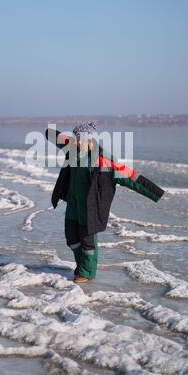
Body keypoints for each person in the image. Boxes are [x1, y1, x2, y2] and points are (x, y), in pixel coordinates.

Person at [45, 121, 164, 283]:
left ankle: (87, 272)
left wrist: (155, 192)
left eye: (80, 138)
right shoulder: (73, 150)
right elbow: (56, 138)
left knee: (87, 241)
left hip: (90, 207)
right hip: (73, 204)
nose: (77, 141)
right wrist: (49, 131)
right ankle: (81, 265)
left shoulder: (103, 160)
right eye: (76, 138)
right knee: (72, 237)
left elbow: (131, 177)